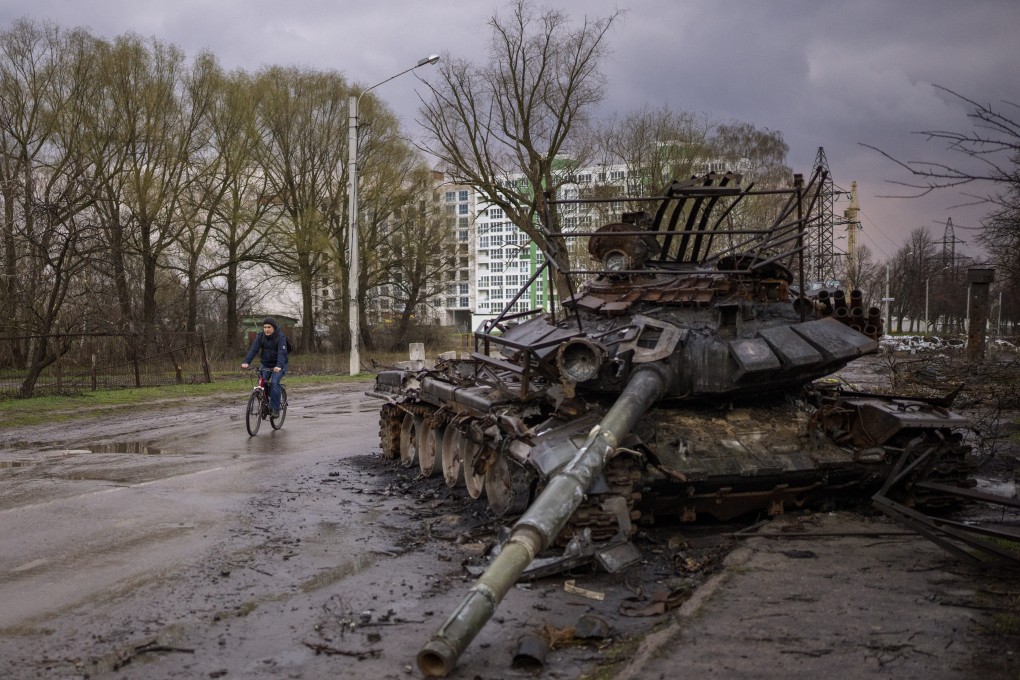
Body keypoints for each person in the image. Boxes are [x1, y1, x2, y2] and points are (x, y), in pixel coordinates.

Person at [242, 317, 288, 417]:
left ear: (274, 328)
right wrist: (246, 362)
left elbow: (282, 353)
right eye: (265, 327)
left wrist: (279, 365)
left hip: (279, 365)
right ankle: (265, 404)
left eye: (269, 327)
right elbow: (253, 349)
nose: (266, 329)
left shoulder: (280, 337)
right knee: (262, 384)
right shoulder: (261, 336)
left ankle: (275, 409)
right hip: (266, 364)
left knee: (275, 382)